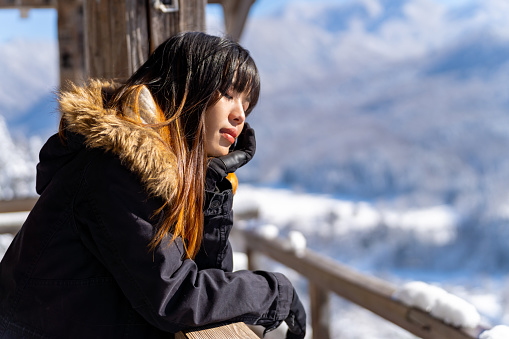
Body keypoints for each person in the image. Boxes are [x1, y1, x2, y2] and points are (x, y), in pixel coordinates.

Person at [0, 32, 306, 338]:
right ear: (184, 87)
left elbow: (205, 275)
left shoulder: (156, 174)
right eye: (228, 93)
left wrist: (212, 182)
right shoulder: (116, 168)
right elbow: (176, 299)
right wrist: (274, 292)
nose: (240, 115)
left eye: (247, 103)